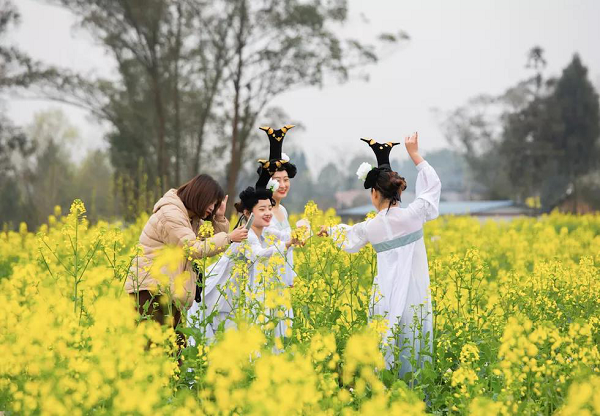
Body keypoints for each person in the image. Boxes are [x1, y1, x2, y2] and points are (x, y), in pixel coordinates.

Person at [320, 132, 441, 378]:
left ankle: (384, 395)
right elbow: (432, 188)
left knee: (385, 349)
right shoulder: (414, 215)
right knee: (413, 345)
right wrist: (415, 155)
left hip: (384, 298)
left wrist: (329, 230)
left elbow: (350, 238)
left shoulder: (372, 227)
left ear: (375, 193)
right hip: (413, 297)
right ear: (398, 191)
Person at [124, 174, 248, 348]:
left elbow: (208, 241)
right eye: (212, 203)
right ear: (200, 196)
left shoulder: (188, 218)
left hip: (166, 293)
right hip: (151, 293)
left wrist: (219, 218)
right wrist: (229, 238)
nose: (212, 208)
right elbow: (195, 248)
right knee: (159, 354)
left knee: (175, 354)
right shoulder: (171, 214)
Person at [187, 166, 301, 340]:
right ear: (247, 213)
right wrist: (286, 244)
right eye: (262, 210)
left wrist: (299, 232)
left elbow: (283, 234)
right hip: (222, 294)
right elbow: (258, 254)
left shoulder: (265, 230)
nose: (268, 213)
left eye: (269, 208)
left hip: (238, 294)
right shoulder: (245, 235)